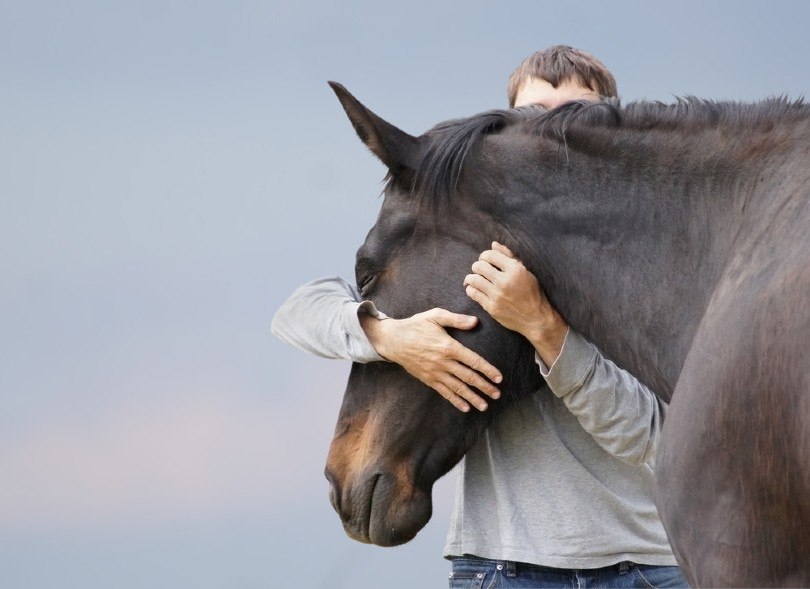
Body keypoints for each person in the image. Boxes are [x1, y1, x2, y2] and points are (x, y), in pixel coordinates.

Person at [272, 45, 688, 588]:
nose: (554, 131)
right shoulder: (472, 249)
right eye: (534, 115)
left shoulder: (649, 264)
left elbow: (650, 439)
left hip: (645, 571)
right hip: (500, 567)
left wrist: (542, 327)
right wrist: (389, 336)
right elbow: (298, 311)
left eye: (577, 114)